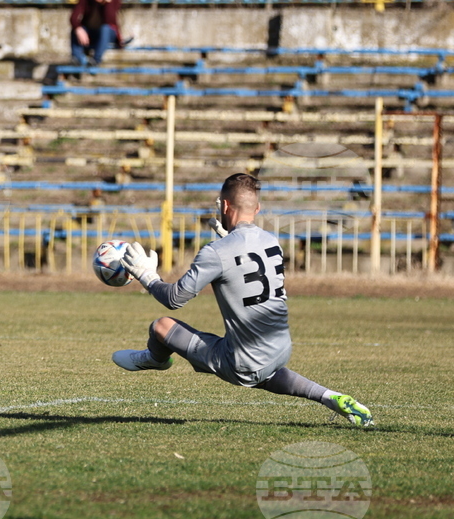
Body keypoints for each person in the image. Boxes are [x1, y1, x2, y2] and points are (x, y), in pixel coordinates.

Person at [113, 173, 374, 428]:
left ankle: (156, 359)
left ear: (225, 205)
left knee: (161, 327)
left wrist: (147, 276)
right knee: (261, 368)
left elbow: (174, 298)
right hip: (281, 348)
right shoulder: (271, 241)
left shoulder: (216, 252)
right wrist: (228, 240)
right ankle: (329, 396)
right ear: (257, 208)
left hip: (243, 360)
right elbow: (244, 261)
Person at [70, 0, 123, 66]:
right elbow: (73, 18)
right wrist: (78, 29)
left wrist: (108, 0)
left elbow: (110, 21)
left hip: (108, 34)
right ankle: (77, 59)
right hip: (90, 33)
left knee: (105, 28)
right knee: (76, 29)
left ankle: (95, 60)